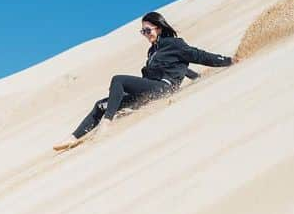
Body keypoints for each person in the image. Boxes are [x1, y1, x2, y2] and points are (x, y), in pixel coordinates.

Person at [53, 11, 240, 151]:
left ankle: (106, 124)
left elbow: (199, 56)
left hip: (164, 89)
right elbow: (181, 68)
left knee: (118, 80)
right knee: (101, 104)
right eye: (142, 31)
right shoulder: (152, 51)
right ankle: (72, 137)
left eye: (147, 30)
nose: (145, 34)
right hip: (149, 90)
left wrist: (228, 61)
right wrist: (196, 77)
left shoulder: (174, 44)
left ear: (159, 28)